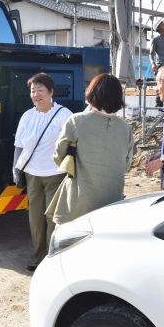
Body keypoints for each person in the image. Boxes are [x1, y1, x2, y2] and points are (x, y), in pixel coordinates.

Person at [46, 73, 134, 224]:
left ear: (92, 94)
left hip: (79, 202)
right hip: (112, 202)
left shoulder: (76, 121)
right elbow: (126, 164)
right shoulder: (126, 128)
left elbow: (58, 156)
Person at [13, 73, 72, 271]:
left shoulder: (64, 115)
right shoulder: (27, 116)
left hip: (55, 174)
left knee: (52, 218)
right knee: (35, 219)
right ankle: (38, 257)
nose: (36, 94)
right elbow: (18, 145)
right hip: (32, 175)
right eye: (32, 91)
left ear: (51, 92)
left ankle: (52, 259)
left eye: (40, 90)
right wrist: (15, 168)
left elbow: (73, 146)